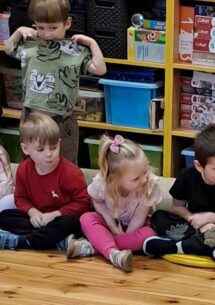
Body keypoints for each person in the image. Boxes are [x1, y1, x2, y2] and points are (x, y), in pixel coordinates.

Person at [4, 0, 107, 164]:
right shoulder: (31, 45)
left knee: (65, 161)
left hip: (61, 118)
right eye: (40, 27)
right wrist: (19, 31)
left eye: (53, 28)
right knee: (31, 159)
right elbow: (9, 48)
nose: (46, 34)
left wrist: (92, 43)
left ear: (67, 23)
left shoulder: (75, 50)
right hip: (31, 114)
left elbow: (100, 69)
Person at [144, 125, 215, 265]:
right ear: (199, 166)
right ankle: (211, 247)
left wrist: (210, 218)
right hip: (193, 227)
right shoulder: (187, 176)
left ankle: (176, 247)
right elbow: (176, 208)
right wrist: (194, 220)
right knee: (158, 217)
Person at [65, 135, 162, 273]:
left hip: (135, 228)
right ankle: (114, 253)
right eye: (136, 178)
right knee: (86, 218)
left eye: (145, 171)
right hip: (111, 223)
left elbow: (139, 217)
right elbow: (98, 203)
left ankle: (92, 247)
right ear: (114, 179)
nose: (144, 179)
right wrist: (112, 226)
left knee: (151, 233)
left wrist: (124, 236)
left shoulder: (149, 185)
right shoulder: (103, 183)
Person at [0, 112, 88, 251]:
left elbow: (83, 203)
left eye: (53, 147)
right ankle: (56, 242)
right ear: (25, 148)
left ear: (59, 143)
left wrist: (55, 214)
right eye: (40, 149)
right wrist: (32, 212)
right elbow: (20, 198)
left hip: (60, 219)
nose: (49, 154)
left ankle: (25, 241)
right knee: (5, 216)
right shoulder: (23, 169)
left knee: (72, 222)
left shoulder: (72, 173)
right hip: (39, 219)